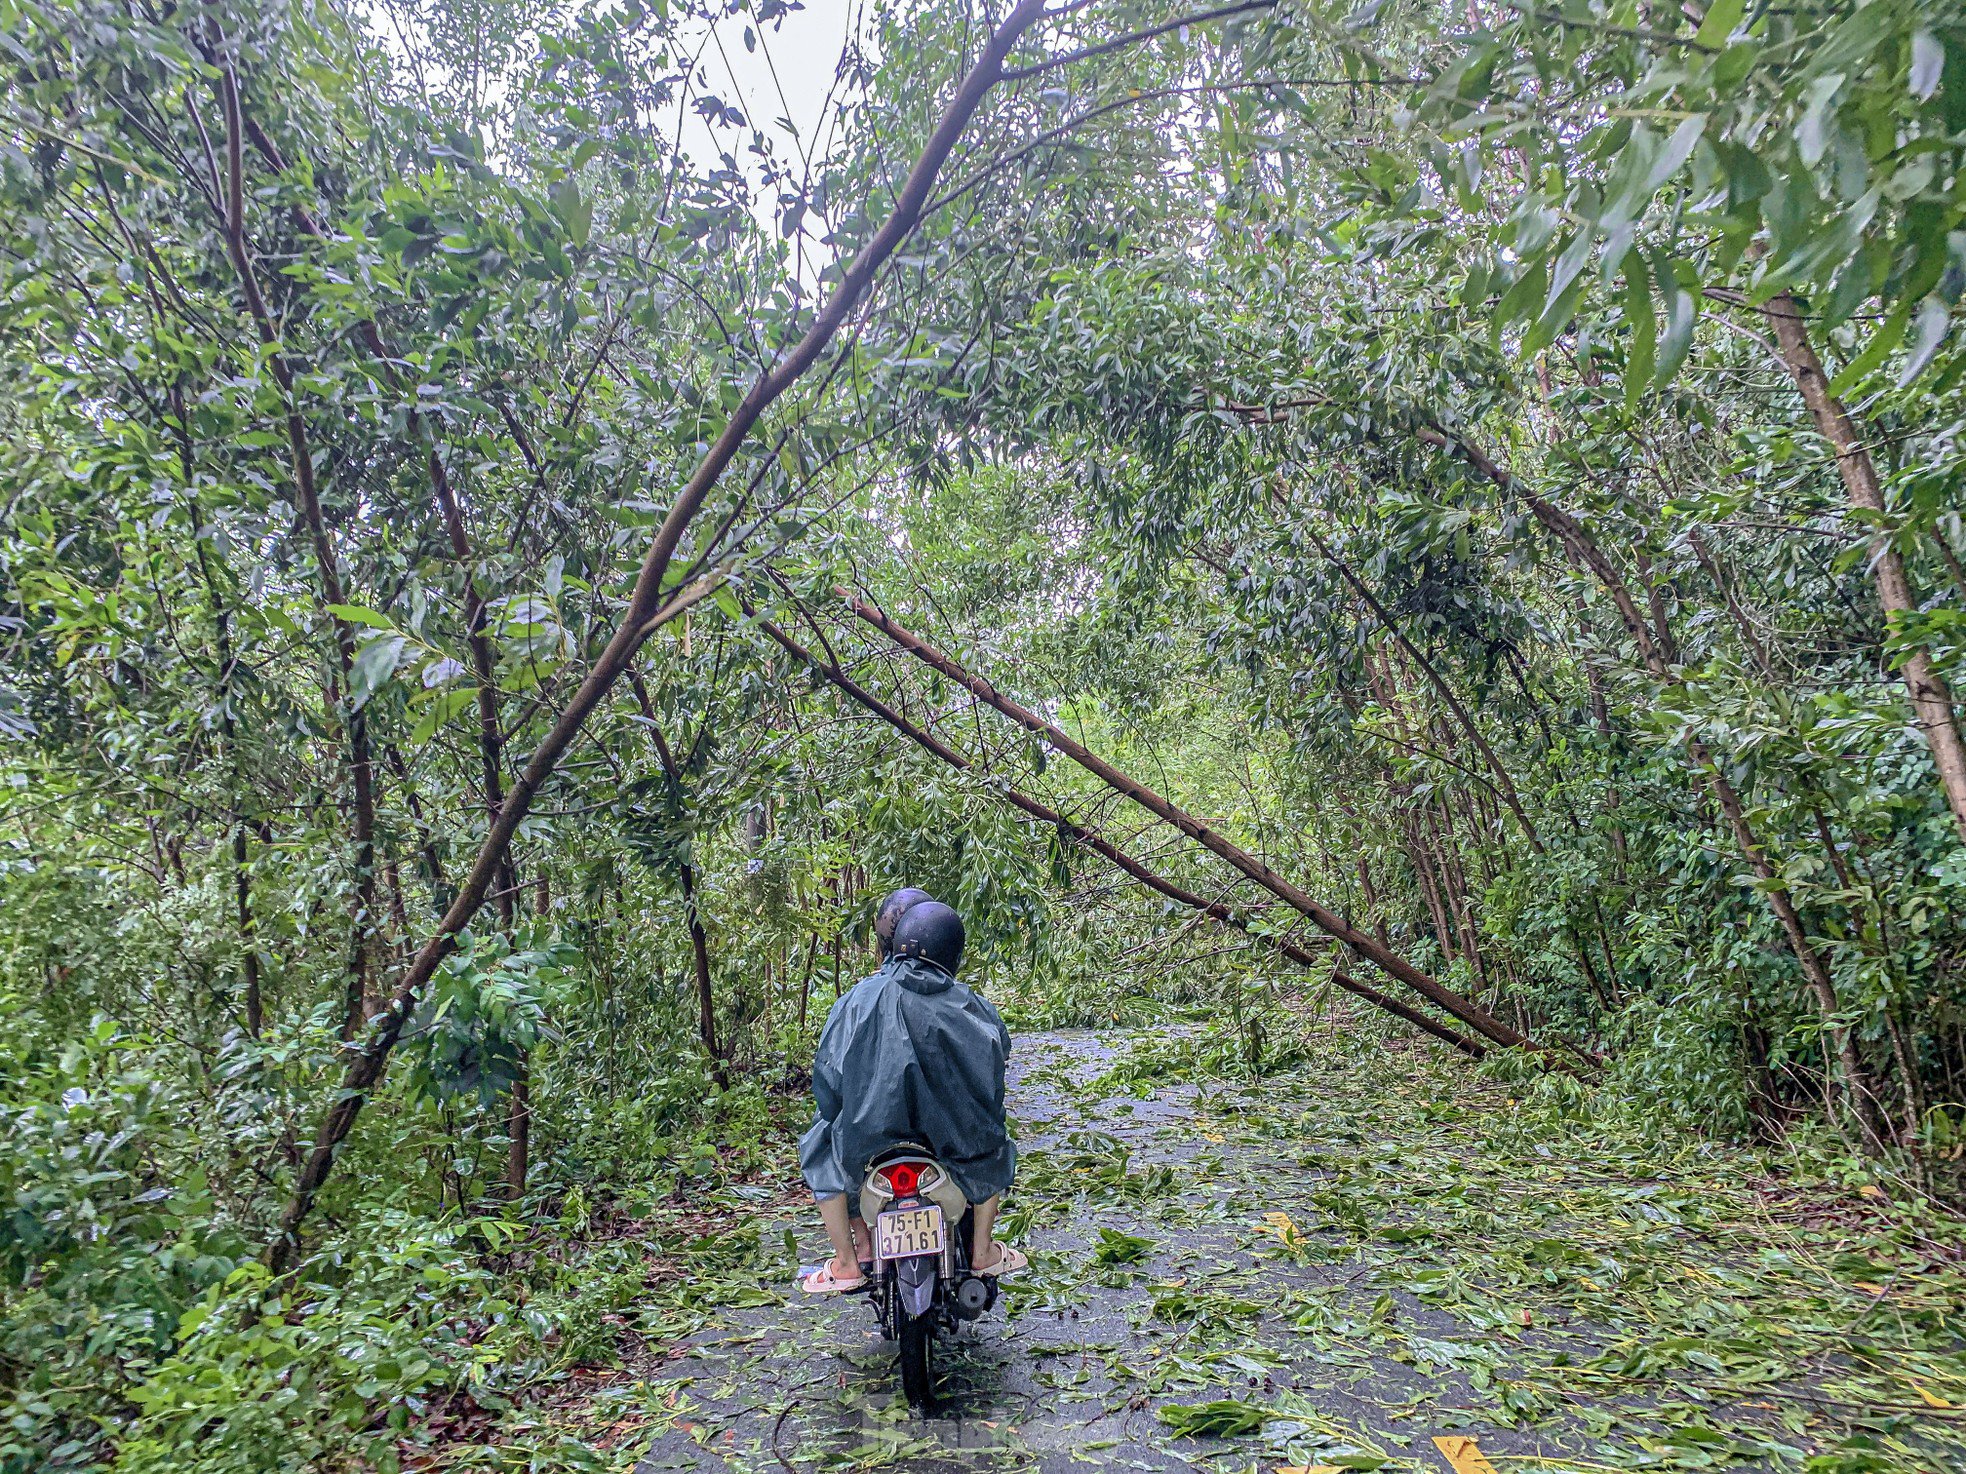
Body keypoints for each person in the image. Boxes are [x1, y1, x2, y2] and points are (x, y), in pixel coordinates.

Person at [798, 891, 1026, 1294]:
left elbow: (828, 1085)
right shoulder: (973, 1006)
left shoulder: (855, 1001)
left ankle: (850, 1260)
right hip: (957, 1142)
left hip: (868, 1140)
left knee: (821, 1142)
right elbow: (994, 1080)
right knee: (995, 1142)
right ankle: (983, 1251)